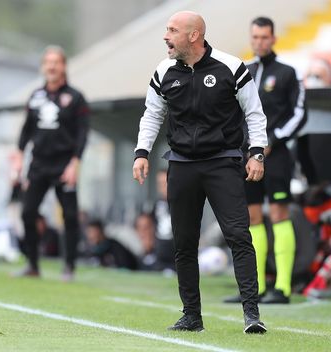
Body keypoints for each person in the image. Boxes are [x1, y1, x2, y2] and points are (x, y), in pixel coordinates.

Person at [132, 11, 267, 333]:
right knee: (184, 243)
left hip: (223, 162)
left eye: (172, 30)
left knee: (238, 236)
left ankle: (252, 314)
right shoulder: (164, 71)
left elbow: (254, 113)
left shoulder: (232, 67)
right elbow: (152, 115)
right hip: (181, 164)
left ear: (194, 35)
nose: (166, 36)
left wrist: (256, 153)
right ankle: (191, 315)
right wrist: (141, 153)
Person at [225, 17, 307, 304]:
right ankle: (255, 287)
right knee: (254, 217)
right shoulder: (243, 71)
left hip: (278, 156)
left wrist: (273, 139)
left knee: (280, 214)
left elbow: (299, 113)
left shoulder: (288, 73)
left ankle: (283, 287)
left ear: (273, 39)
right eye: (255, 37)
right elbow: (234, 113)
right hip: (248, 157)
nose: (259, 42)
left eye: (264, 37)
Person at [12, 45, 90, 281]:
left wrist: (75, 162)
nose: (52, 66)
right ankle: (32, 264)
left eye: (56, 62)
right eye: (48, 62)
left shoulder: (76, 98)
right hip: (39, 164)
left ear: (64, 66)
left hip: (64, 164)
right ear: (43, 66)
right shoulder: (35, 97)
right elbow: (26, 130)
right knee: (27, 212)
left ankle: (69, 267)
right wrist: (18, 153)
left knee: (69, 215)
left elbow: (82, 133)